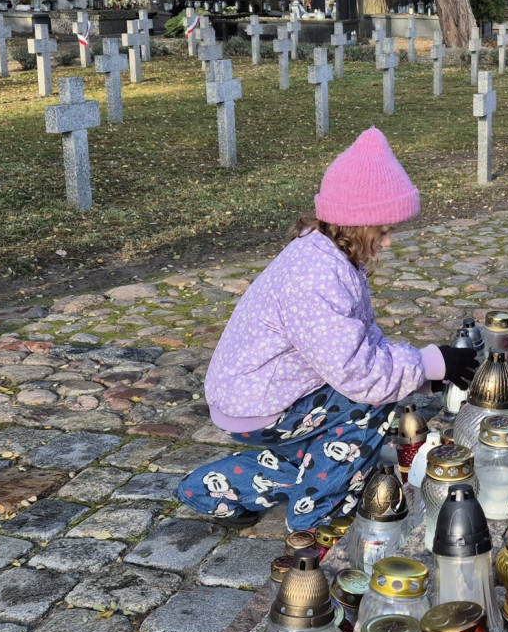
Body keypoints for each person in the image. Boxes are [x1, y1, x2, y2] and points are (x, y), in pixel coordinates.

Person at [176, 128, 478, 531]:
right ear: (355, 224)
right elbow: (361, 376)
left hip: (260, 394)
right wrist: (428, 363)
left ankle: (211, 489)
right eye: (383, 232)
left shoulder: (327, 255)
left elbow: (357, 342)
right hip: (264, 405)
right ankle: (319, 518)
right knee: (369, 407)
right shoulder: (316, 277)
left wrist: (424, 372)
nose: (388, 243)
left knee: (319, 454)